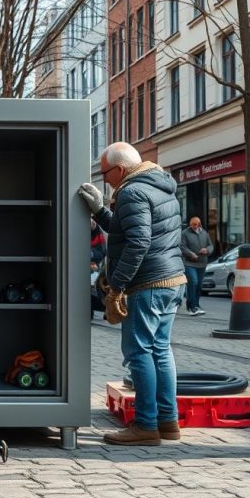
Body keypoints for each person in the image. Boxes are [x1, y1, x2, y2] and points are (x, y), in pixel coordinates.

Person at [78, 143, 186, 446]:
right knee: (160, 351)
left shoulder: (132, 192)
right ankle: (168, 422)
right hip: (172, 279)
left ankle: (145, 425)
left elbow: (138, 242)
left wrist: (118, 286)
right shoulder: (160, 187)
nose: (105, 179)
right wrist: (100, 210)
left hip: (148, 283)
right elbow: (126, 229)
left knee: (139, 354)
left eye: (105, 173)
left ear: (121, 169)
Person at [180, 216, 213, 316]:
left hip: (202, 263)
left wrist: (207, 250)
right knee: (193, 282)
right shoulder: (185, 233)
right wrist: (190, 254)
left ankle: (196, 305)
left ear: (199, 224)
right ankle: (192, 307)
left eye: (195, 224)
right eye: (192, 224)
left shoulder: (204, 233)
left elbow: (210, 245)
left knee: (199, 285)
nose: (193, 226)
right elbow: (182, 246)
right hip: (189, 263)